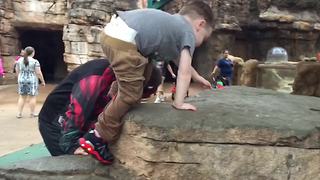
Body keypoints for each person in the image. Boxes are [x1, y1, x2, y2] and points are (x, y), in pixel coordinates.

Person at [80, 1, 213, 164]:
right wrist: (179, 103)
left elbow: (179, 59)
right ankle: (97, 136)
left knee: (146, 73)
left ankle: (113, 104)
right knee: (131, 94)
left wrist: (197, 77)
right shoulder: (188, 32)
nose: (201, 42)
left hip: (115, 33)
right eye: (204, 38)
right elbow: (183, 72)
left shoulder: (173, 24)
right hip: (125, 41)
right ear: (200, 24)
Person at [38, 59, 161, 162]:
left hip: (84, 118)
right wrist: (71, 147)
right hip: (55, 122)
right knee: (72, 163)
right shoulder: (95, 79)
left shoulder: (122, 75)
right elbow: (77, 113)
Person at [16, 46, 45, 118]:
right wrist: (42, 81)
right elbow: (38, 72)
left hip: (21, 78)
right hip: (32, 80)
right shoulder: (35, 61)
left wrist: (19, 78)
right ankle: (32, 113)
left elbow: (17, 70)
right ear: (32, 53)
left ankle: (19, 113)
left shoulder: (19, 60)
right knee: (32, 97)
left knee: (22, 96)